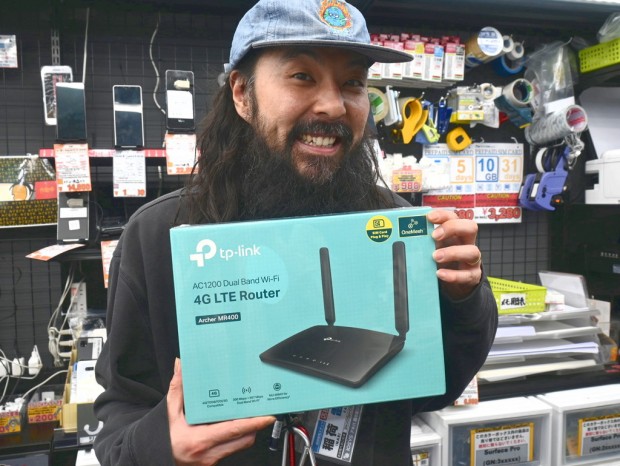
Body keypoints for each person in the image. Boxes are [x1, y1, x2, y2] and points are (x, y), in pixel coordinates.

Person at [93, 0, 498, 464]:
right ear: (242, 94)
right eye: (302, 76)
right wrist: (160, 449)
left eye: (353, 83)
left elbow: (431, 389)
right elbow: (120, 415)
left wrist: (464, 299)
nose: (333, 105)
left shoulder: (395, 227)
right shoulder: (158, 235)